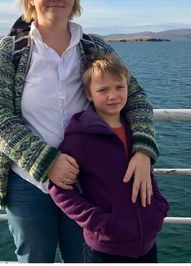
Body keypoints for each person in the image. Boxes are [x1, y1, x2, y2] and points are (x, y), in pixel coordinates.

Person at [0, 0, 159, 262]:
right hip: (28, 182)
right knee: (35, 258)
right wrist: (47, 161)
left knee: (84, 256)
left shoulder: (93, 47)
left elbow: (136, 96)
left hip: (88, 179)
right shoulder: (9, 50)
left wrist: (142, 150)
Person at [49, 54, 169, 263]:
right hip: (106, 248)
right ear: (89, 93)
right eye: (103, 90)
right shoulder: (80, 139)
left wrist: (158, 208)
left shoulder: (137, 133)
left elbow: (146, 172)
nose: (113, 95)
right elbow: (59, 189)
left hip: (147, 243)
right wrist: (99, 222)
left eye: (119, 87)